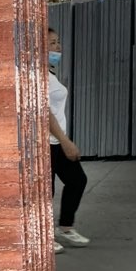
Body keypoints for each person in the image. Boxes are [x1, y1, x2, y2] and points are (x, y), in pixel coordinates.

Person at [47, 27, 89, 255]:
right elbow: (44, 113)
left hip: (57, 140)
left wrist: (62, 139)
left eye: (57, 42)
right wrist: (65, 141)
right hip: (46, 143)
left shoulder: (49, 73)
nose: (58, 47)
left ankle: (65, 227)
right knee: (46, 192)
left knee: (77, 180)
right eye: (52, 43)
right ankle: (41, 237)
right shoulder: (36, 77)